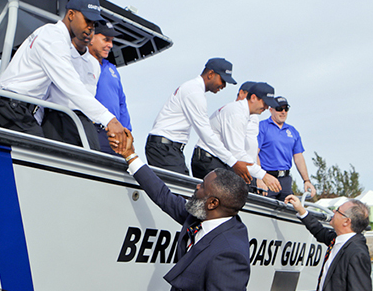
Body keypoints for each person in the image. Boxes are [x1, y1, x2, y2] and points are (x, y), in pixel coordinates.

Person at [114, 129, 250, 291]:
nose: (197, 187)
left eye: (202, 187)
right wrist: (130, 155)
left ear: (213, 203)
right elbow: (163, 196)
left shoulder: (230, 254)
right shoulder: (202, 215)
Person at [0, 0, 127, 147]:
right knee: (42, 160)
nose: (90, 27)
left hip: (22, 108)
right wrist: (109, 119)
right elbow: (71, 85)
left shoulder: (52, 34)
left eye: (94, 24)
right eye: (87, 20)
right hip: (14, 107)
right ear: (71, 14)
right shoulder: (54, 40)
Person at [146, 58, 252, 179]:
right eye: (222, 80)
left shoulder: (194, 89)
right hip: (164, 148)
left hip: (169, 148)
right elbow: (205, 133)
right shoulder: (194, 92)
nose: (224, 86)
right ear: (211, 74)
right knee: (181, 191)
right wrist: (233, 162)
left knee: (183, 191)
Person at [191, 82, 282, 193]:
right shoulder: (236, 114)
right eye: (265, 103)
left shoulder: (245, 114)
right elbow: (237, 153)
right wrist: (263, 176)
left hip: (218, 160)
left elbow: (249, 150)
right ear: (253, 98)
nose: (266, 107)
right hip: (208, 160)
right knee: (222, 200)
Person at [39, 21, 105, 150]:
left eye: (92, 30)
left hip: (84, 120)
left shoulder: (94, 64)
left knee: (92, 163)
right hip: (57, 117)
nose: (88, 34)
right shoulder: (61, 52)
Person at [284, 196, 372, 291]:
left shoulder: (357, 253)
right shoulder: (338, 240)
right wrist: (301, 210)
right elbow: (319, 231)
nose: (333, 211)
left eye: (338, 210)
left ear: (346, 221)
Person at [257, 96, 317, 200]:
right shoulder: (261, 127)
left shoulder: (292, 131)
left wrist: (306, 180)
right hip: (267, 177)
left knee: (288, 208)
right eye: (279, 109)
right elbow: (254, 153)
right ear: (271, 110)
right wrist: (259, 177)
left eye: (286, 109)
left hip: (285, 180)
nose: (283, 112)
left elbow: (298, 157)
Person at [88, 21, 131, 155]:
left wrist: (127, 131)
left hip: (116, 136)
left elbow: (121, 102)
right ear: (91, 38)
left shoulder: (112, 68)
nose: (110, 45)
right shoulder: (82, 63)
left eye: (112, 41)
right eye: (106, 40)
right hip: (93, 130)